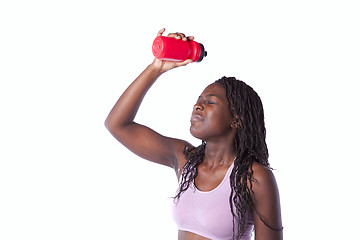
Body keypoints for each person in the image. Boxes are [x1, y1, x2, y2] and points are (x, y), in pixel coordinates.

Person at [105, 28, 283, 240]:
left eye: (210, 102)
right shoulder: (185, 160)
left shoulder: (254, 178)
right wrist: (156, 68)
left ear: (236, 119)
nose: (197, 106)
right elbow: (117, 124)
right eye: (198, 100)